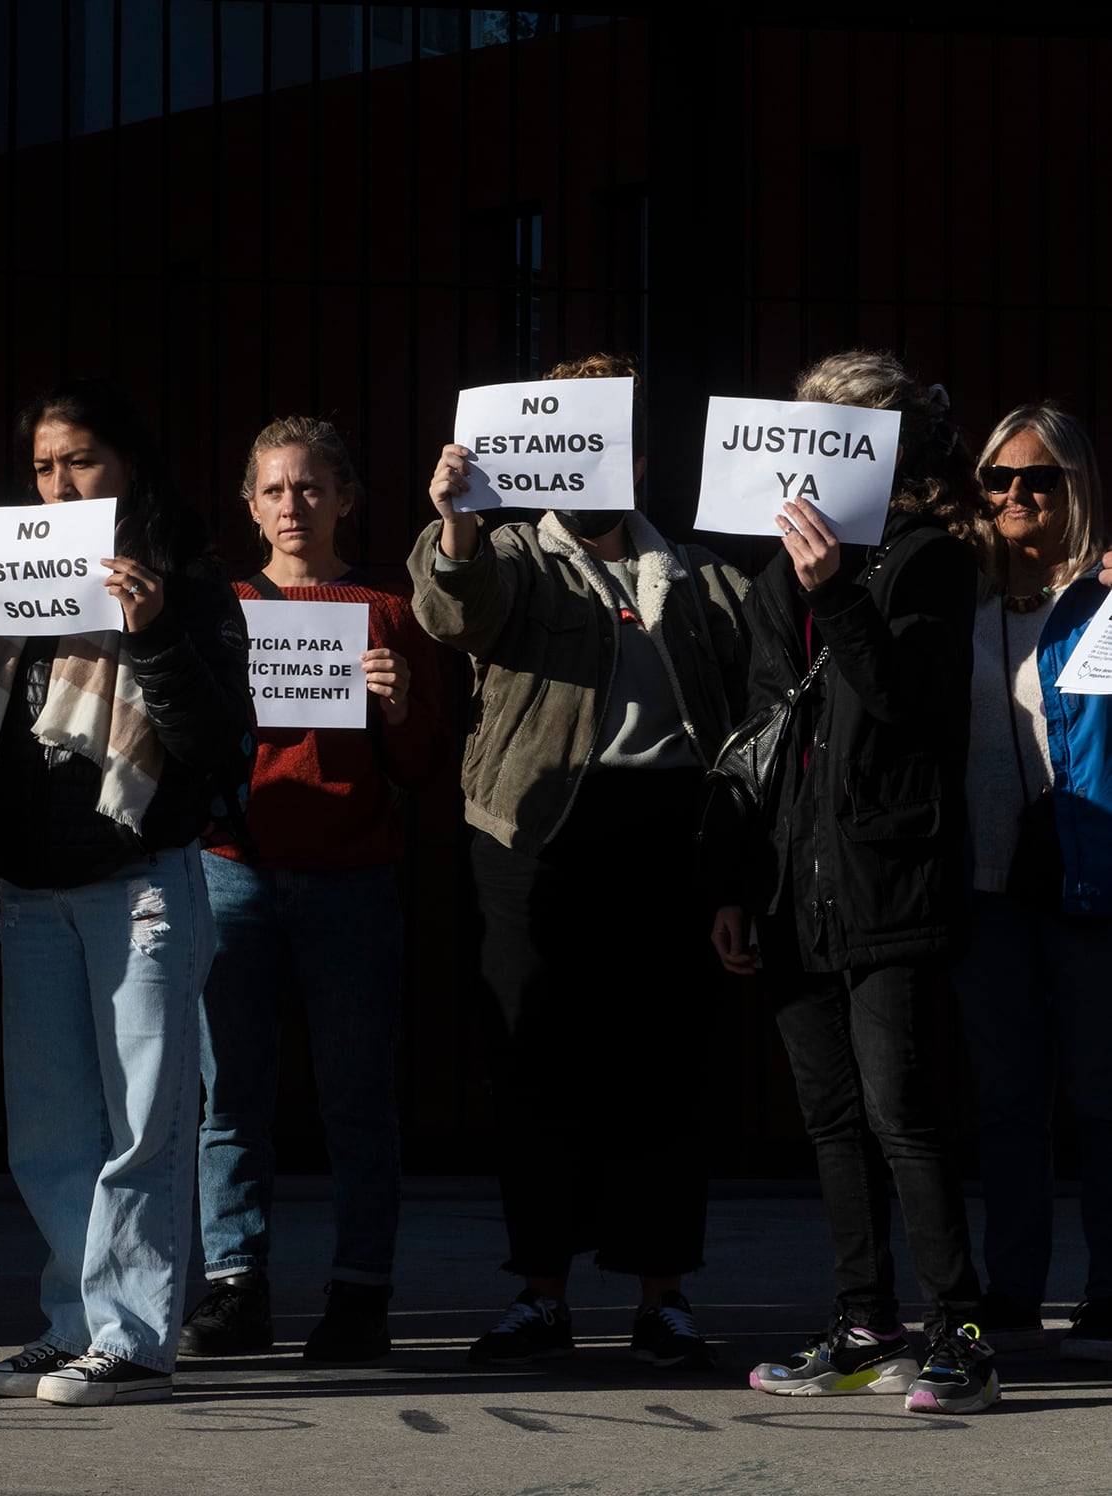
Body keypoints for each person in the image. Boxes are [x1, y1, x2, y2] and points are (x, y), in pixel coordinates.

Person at [408, 353, 750, 1371]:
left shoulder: (698, 569)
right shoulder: (512, 550)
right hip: (532, 832)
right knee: (535, 1062)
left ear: (635, 452)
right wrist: (459, 518)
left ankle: (663, 1298)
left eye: (616, 435)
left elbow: (752, 694)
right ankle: (541, 1294)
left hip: (670, 829)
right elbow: (453, 610)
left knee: (665, 1065)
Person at [0, 378, 251, 1406]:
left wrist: (150, 633)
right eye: (43, 467)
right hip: (30, 882)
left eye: (82, 461)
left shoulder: (187, 581)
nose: (59, 483)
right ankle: (73, 1319)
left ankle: (137, 1334)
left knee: (144, 1117)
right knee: (52, 1125)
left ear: (130, 466)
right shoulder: (7, 588)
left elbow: (220, 744)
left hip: (138, 876)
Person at [710, 351, 997, 1414]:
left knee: (904, 1113)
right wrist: (738, 881)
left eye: (831, 435)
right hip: (794, 884)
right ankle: (864, 1323)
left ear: (882, 450)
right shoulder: (768, 581)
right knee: (832, 1119)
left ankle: (959, 1331)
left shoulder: (929, 560)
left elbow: (908, 707)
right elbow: (758, 738)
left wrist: (840, 592)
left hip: (892, 879)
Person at [177, 417, 445, 1363]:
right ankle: (234, 1290)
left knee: (357, 1098)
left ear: (345, 498)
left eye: (311, 486)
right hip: (233, 869)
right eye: (274, 489)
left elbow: (418, 765)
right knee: (230, 1098)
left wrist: (401, 702)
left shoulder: (385, 603)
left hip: (352, 878)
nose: (293, 505)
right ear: (249, 507)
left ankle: (360, 1294)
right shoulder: (220, 603)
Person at [950, 401, 1112, 1363]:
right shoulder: (957, 600)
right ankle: (1013, 1289)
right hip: (984, 881)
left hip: (1089, 881)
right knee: (1006, 1099)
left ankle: (1108, 1289)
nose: (1017, 494)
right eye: (1000, 479)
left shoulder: (1105, 602)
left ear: (1076, 487)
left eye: (1040, 478)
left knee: (1101, 1095)